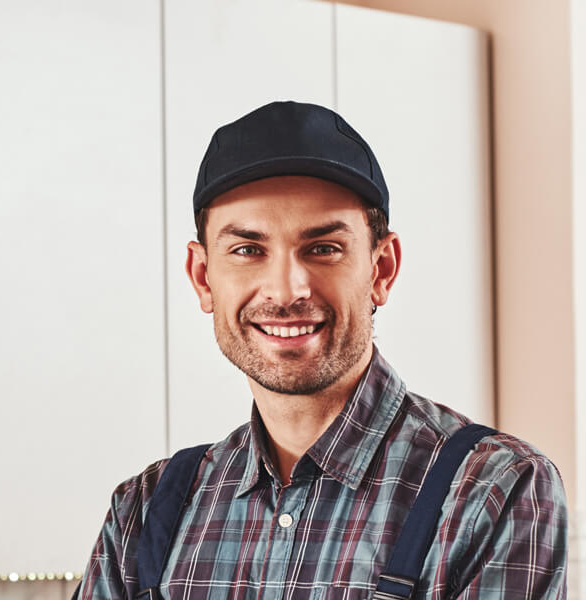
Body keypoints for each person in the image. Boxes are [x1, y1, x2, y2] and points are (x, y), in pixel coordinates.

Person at [77, 101, 568, 599]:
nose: (286, 290)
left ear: (381, 270)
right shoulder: (142, 513)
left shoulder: (493, 490)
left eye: (324, 248)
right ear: (203, 278)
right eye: (248, 250)